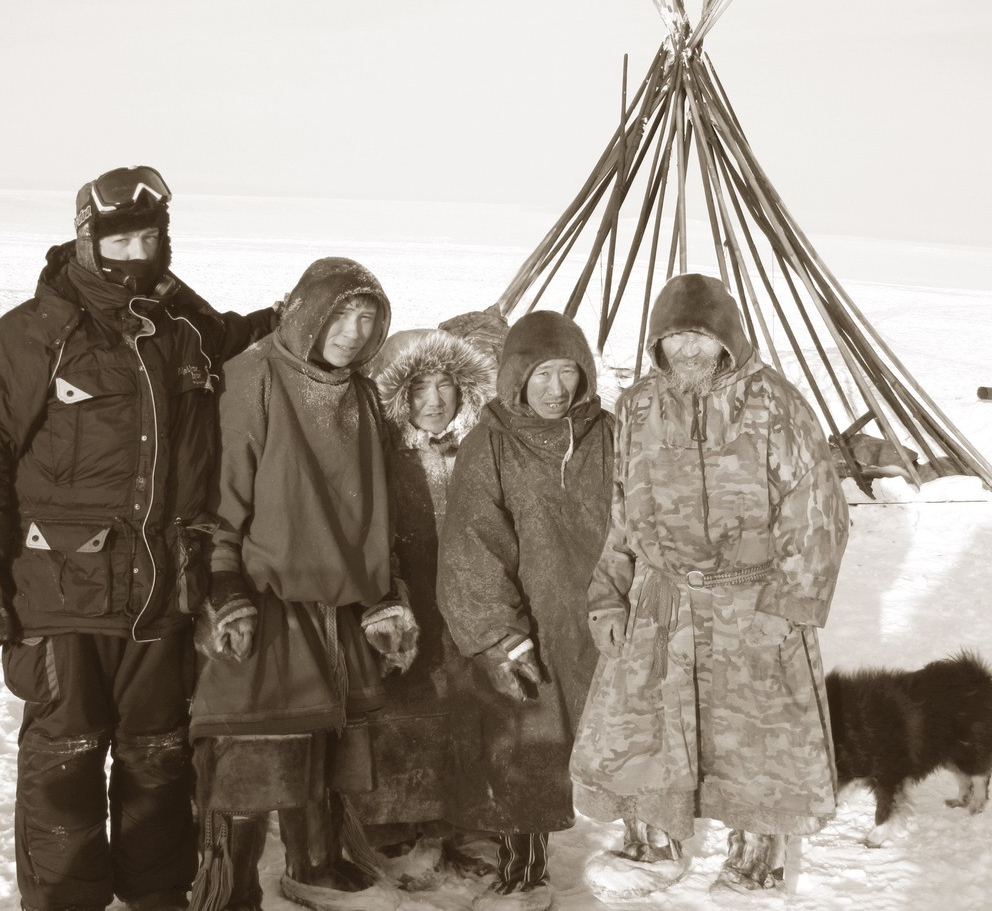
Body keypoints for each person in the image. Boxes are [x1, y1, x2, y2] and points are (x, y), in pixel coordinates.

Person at [0, 165, 277, 911]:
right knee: (66, 757)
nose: (136, 254)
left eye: (149, 238)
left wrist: (300, 313)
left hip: (161, 591)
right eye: (119, 240)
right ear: (88, 240)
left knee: (158, 756)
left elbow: (244, 335)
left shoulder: (183, 329)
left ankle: (157, 897)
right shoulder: (32, 334)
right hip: (61, 595)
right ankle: (65, 902)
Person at [569, 273, 849, 898]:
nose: (688, 349)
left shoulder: (775, 403)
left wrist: (788, 606)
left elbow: (817, 511)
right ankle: (651, 844)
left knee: (755, 738)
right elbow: (621, 508)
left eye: (700, 336)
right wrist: (608, 594)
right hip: (661, 600)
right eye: (675, 338)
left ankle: (755, 861)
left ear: (726, 338)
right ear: (657, 344)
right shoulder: (638, 406)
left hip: (751, 602)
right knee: (646, 725)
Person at [188, 257, 416, 911]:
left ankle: (315, 864)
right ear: (309, 311)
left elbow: (374, 505)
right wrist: (223, 584)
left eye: (368, 318)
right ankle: (227, 888)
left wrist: (383, 590)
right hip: (267, 599)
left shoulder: (360, 393)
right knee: (252, 752)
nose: (353, 331)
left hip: (339, 603)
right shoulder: (254, 376)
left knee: (325, 747)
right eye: (341, 315)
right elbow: (223, 495)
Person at [436, 310, 615, 911]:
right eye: (541, 374)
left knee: (626, 744)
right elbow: (471, 548)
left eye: (567, 372)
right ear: (516, 376)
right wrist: (500, 636)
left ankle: (648, 844)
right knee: (525, 748)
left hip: (601, 620)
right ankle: (525, 871)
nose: (556, 388)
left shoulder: (609, 436)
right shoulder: (490, 444)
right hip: (527, 629)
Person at [350, 329, 498, 883]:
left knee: (471, 714)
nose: (433, 401)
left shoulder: (484, 446)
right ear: (398, 395)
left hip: (471, 606)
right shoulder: (380, 453)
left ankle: (466, 823)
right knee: (403, 712)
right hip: (406, 600)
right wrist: (387, 598)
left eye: (445, 385)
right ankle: (399, 825)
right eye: (418, 388)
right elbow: (365, 530)